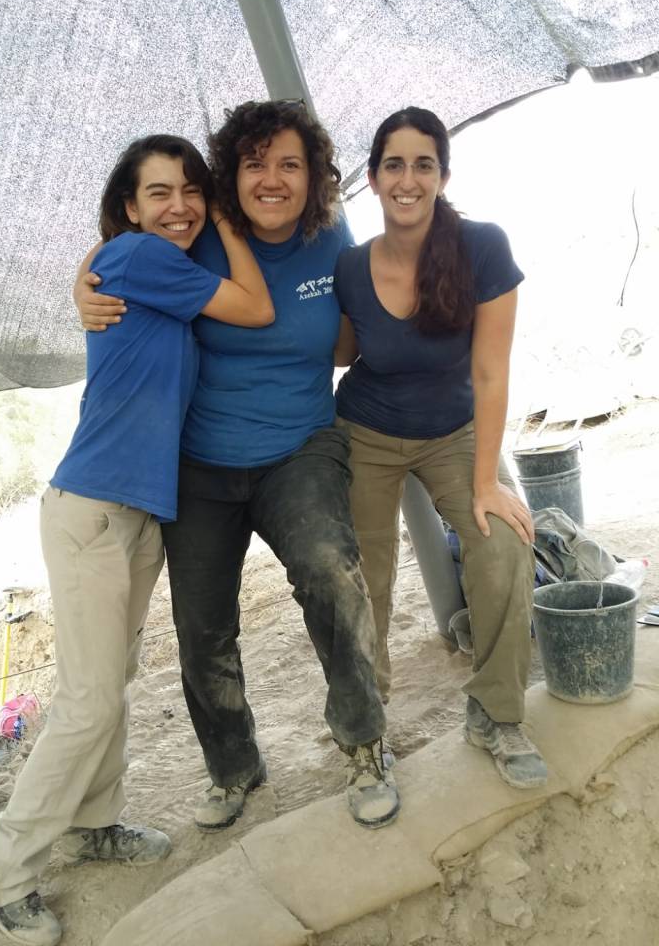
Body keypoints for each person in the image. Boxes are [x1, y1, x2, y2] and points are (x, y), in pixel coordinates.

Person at [0, 134, 274, 946]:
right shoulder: (140, 256)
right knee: (89, 698)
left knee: (111, 679)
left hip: (133, 513)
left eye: (191, 190)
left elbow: (113, 267)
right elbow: (255, 307)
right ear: (130, 208)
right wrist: (225, 222)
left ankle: (93, 824)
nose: (180, 205)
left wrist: (91, 268)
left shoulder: (147, 266)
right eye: (159, 192)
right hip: (93, 509)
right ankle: (1, 872)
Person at [76, 100, 399, 834]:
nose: (272, 180)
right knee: (202, 627)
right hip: (199, 459)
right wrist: (82, 284)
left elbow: (361, 324)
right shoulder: (198, 239)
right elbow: (124, 242)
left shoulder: (332, 237)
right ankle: (233, 767)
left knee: (330, 572)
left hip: (300, 445)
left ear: (314, 177)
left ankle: (363, 745)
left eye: (290, 164)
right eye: (255, 164)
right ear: (231, 175)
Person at [333, 106, 547, 790]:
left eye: (423, 164)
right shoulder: (350, 266)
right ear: (372, 179)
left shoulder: (482, 248)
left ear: (443, 176)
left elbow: (491, 374)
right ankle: (367, 736)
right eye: (393, 164)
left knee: (503, 540)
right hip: (366, 431)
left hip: (455, 432)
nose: (408, 179)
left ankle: (495, 713)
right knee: (359, 578)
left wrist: (486, 485)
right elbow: (342, 353)